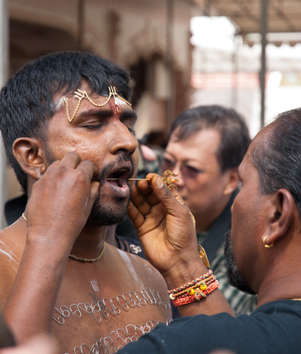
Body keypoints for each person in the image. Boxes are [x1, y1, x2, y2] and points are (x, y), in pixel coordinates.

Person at [0, 51, 171, 353]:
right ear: (33, 156)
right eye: (93, 125)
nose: (128, 142)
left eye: (128, 125)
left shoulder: (148, 275)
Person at [117, 107, 301, 353]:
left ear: (277, 215)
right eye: (169, 163)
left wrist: (50, 236)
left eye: (245, 184)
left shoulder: (187, 344)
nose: (175, 177)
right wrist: (182, 265)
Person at [161, 105, 256, 314]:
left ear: (231, 180)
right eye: (168, 162)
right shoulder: (146, 215)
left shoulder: (246, 246)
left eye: (191, 169)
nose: (173, 178)